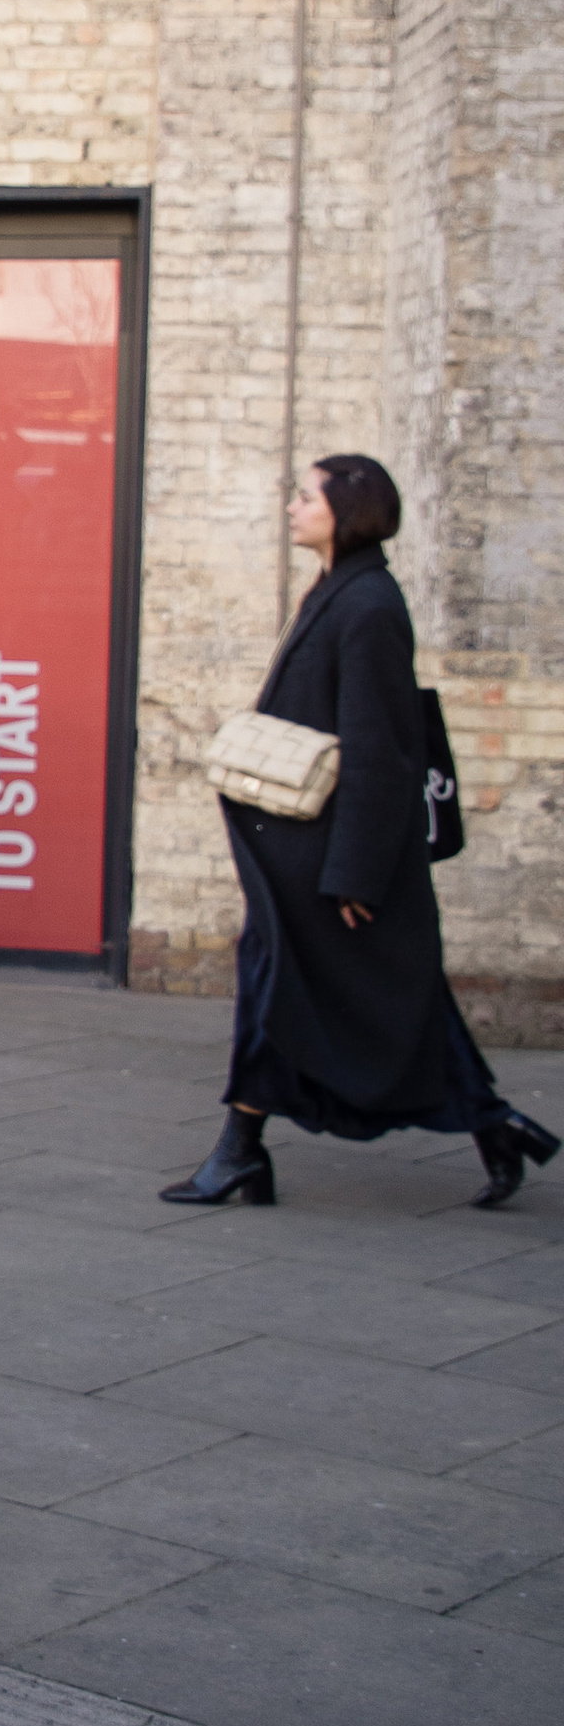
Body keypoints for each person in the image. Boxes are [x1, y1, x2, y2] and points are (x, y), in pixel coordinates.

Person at [162, 455, 557, 1212]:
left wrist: (355, 875)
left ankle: (239, 1153)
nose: (291, 506)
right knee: (379, 1001)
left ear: (349, 508)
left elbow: (382, 752)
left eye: (304, 496)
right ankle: (493, 1124)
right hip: (302, 852)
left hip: (329, 858)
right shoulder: (340, 590)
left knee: (283, 992)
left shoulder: (370, 605)